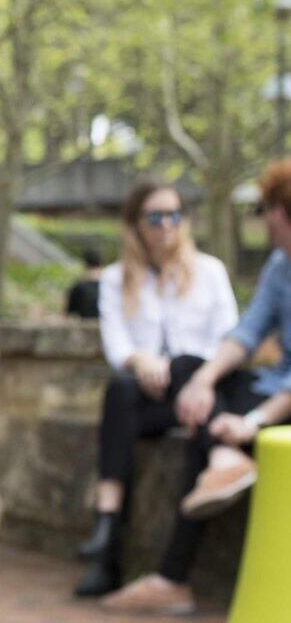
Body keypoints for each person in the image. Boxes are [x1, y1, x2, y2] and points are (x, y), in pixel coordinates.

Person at [100, 159, 291, 615]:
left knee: (204, 435)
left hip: (280, 401)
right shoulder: (280, 266)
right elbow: (243, 335)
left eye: (265, 210)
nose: (262, 219)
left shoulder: (208, 269)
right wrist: (202, 381)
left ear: (282, 212)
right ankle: (223, 459)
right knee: (190, 372)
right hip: (271, 385)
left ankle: (172, 576)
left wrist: (252, 422)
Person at [73, 182, 238, 599]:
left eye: (174, 215)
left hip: (201, 390)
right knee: (120, 392)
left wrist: (176, 367)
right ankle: (107, 537)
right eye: (155, 216)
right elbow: (117, 346)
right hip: (148, 396)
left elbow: (229, 341)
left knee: (184, 365)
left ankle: (113, 541)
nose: (166, 225)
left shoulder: (210, 271)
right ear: (135, 223)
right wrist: (141, 361)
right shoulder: (115, 279)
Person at [66, 247, 105, 319]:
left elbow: (67, 313)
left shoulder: (78, 287)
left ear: (85, 264)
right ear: (101, 263)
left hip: (85, 327)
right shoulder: (110, 286)